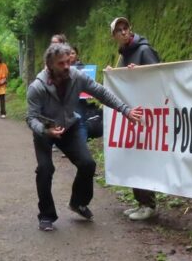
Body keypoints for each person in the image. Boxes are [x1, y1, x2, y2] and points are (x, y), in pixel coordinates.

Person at [27, 43, 143, 232]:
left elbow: (102, 93)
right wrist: (45, 130)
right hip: (45, 130)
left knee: (88, 164)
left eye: (68, 62)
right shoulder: (37, 87)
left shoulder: (76, 76)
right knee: (45, 169)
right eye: (61, 63)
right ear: (50, 65)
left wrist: (126, 110)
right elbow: (30, 117)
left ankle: (78, 203)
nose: (66, 66)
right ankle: (46, 215)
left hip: (70, 126)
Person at [109, 16, 161, 221]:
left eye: (126, 28)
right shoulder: (123, 55)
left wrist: (141, 72)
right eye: (118, 30)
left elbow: (159, 75)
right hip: (132, 114)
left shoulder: (144, 50)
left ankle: (149, 204)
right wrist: (114, 75)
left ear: (130, 30)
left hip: (147, 114)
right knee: (133, 156)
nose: (123, 32)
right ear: (113, 36)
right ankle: (140, 201)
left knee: (144, 157)